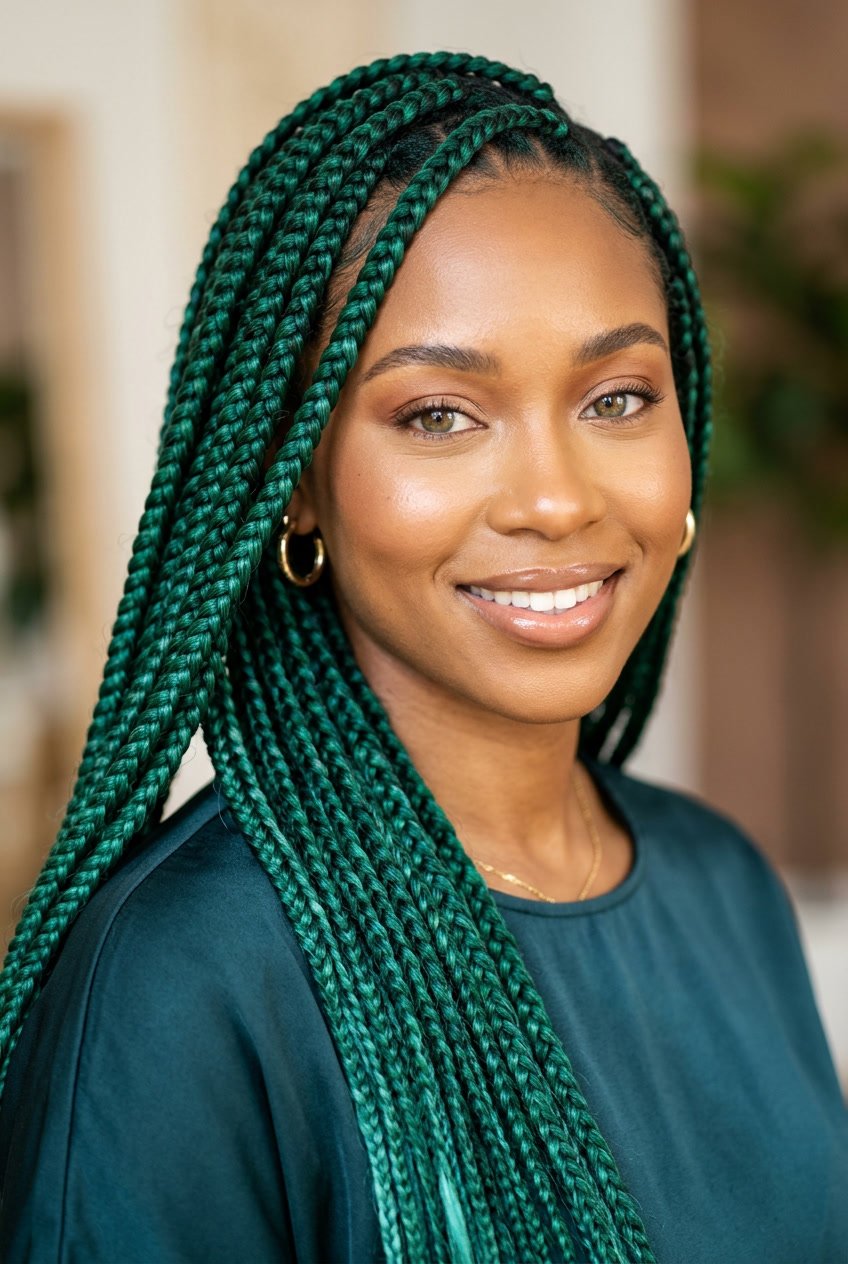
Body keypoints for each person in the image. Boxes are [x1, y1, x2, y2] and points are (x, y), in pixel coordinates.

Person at [0, 50, 845, 1264]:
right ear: (295, 482)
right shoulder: (184, 978)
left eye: (615, 398)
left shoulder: (721, 883)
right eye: (438, 414)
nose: (555, 499)